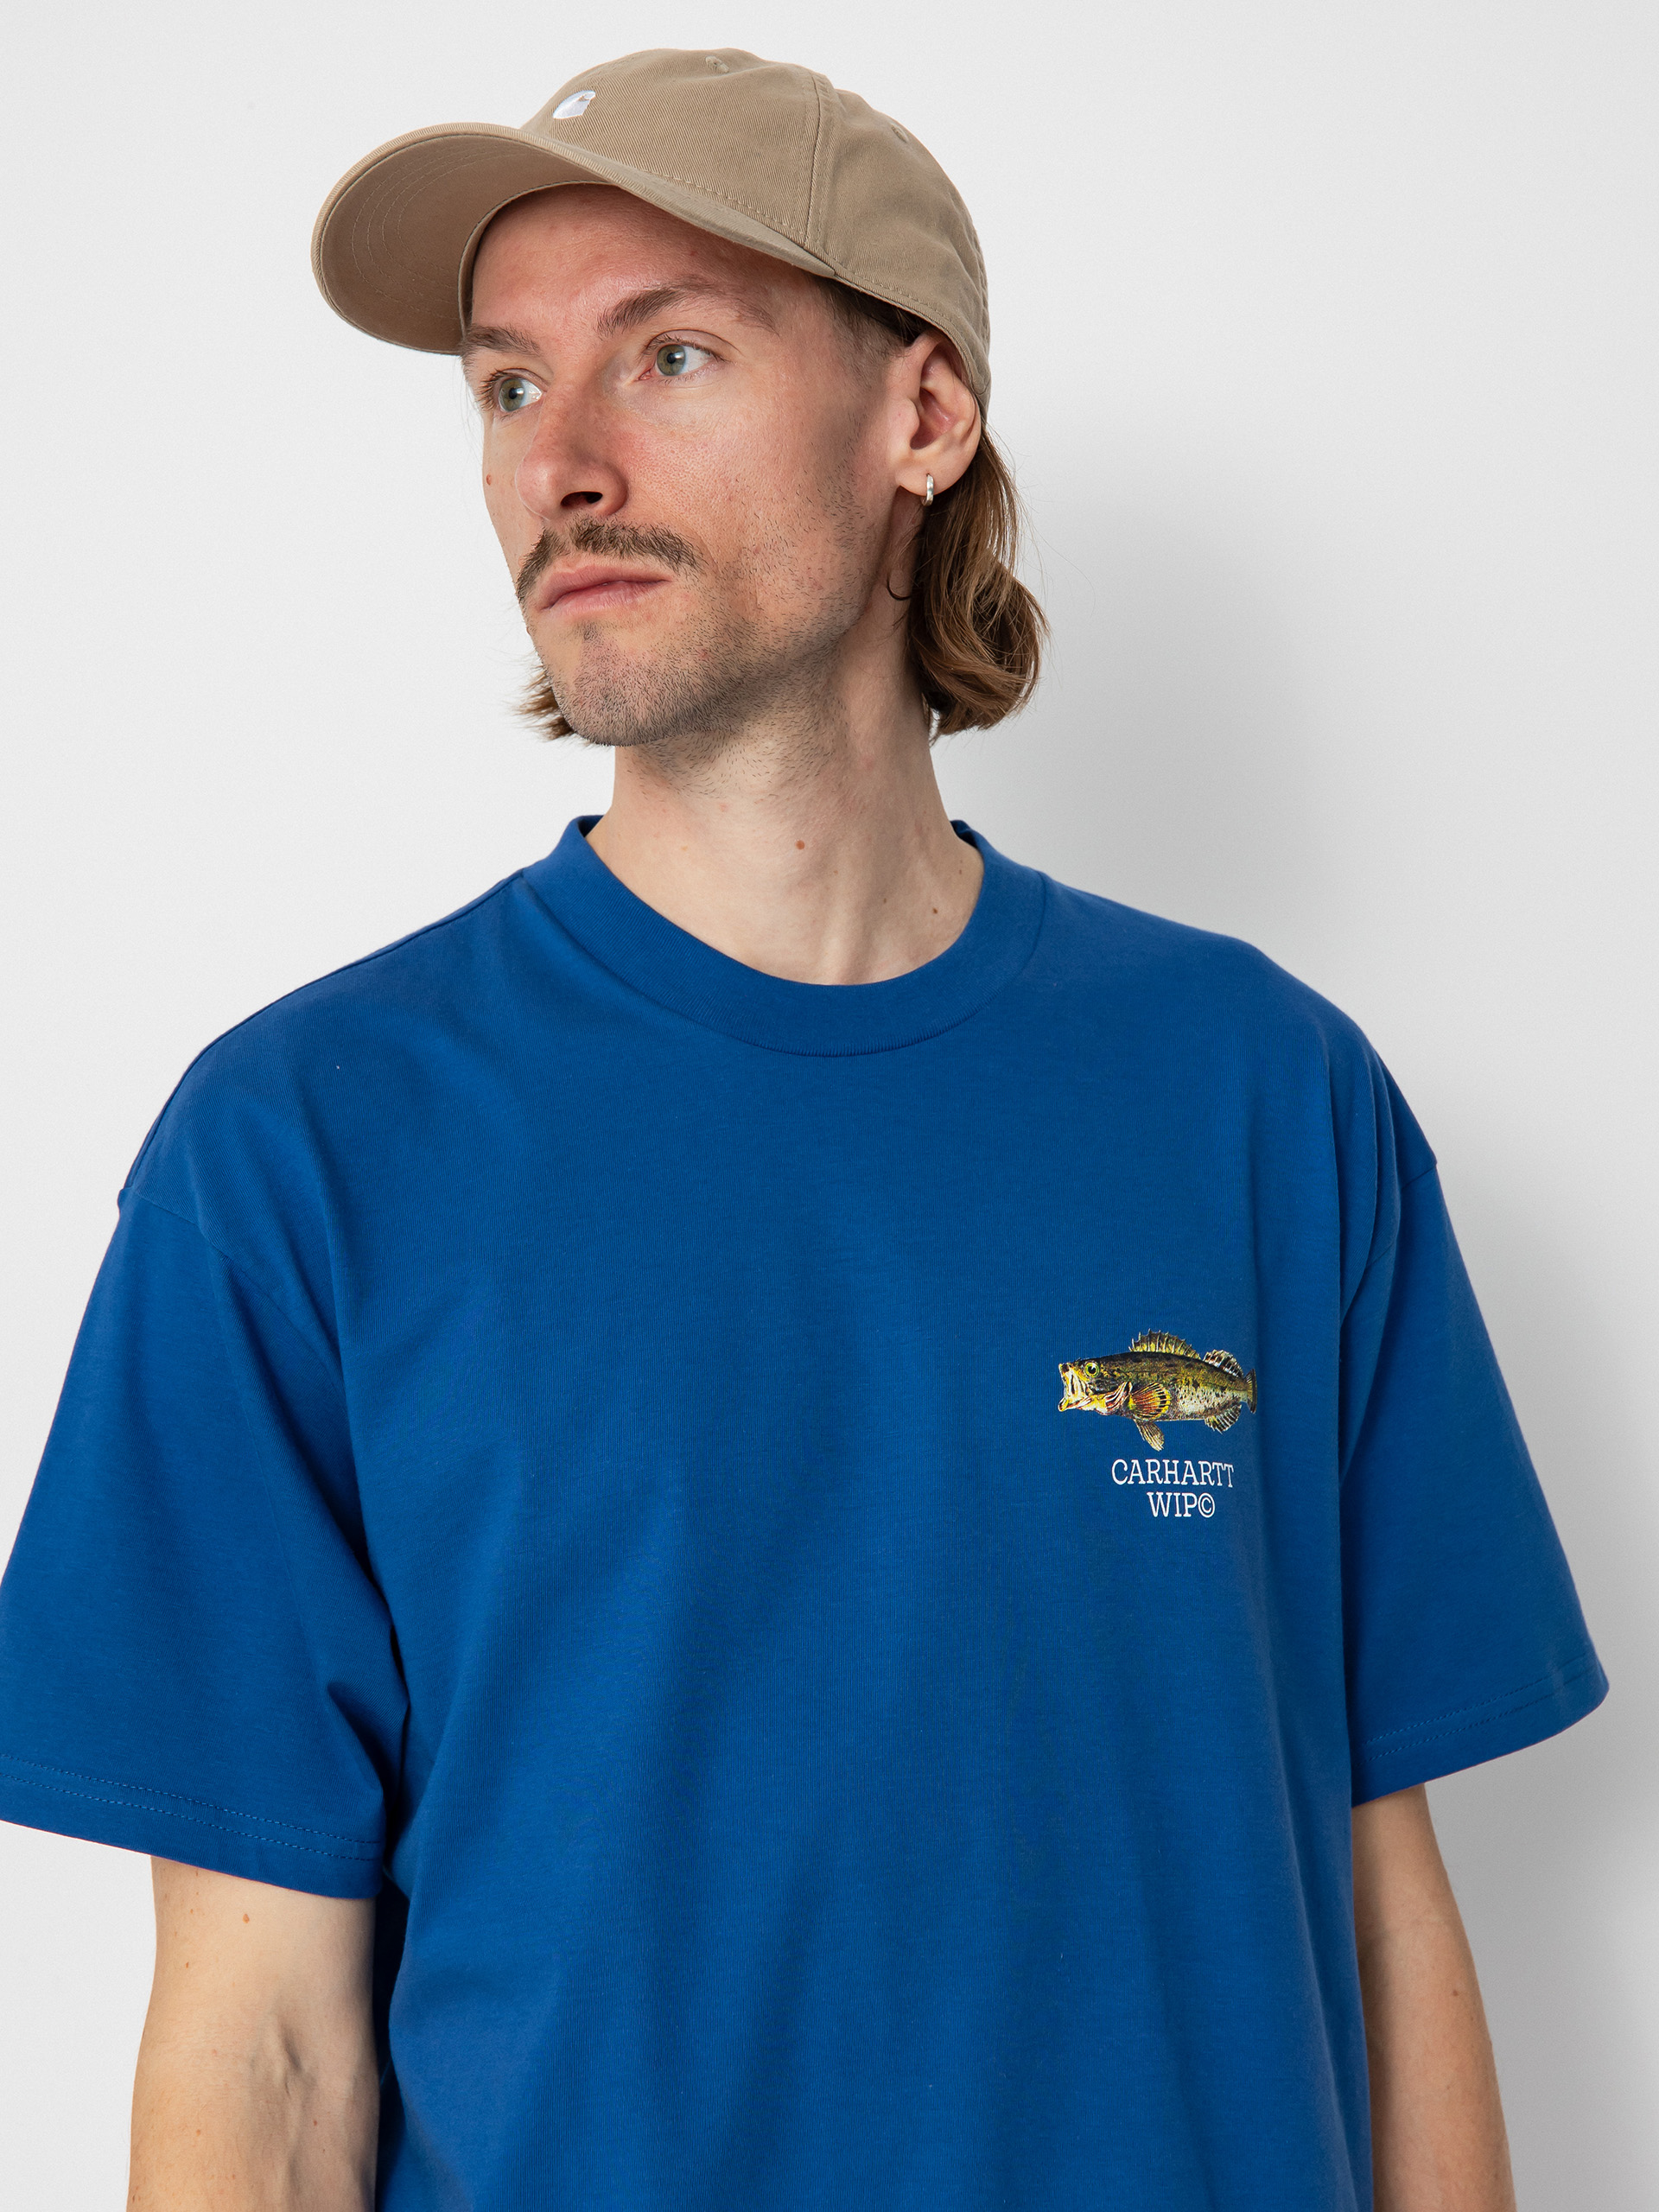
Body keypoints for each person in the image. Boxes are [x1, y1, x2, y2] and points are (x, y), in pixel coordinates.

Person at [0, 48, 1605, 2212]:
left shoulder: (1266, 1096)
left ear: (921, 414)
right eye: (505, 385)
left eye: (668, 356)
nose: (561, 463)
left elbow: (1384, 1899)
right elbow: (261, 2047)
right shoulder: (301, 1148)